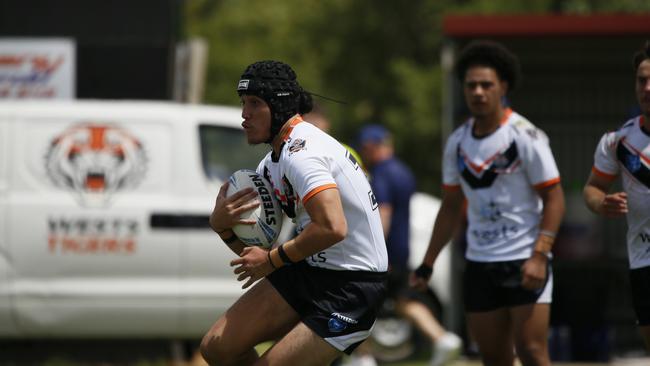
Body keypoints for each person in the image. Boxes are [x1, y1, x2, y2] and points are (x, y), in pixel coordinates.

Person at [200, 60, 388, 366]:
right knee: (216, 347)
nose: (244, 115)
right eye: (243, 103)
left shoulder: (303, 153)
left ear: (279, 107)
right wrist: (222, 227)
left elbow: (332, 227)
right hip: (308, 272)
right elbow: (257, 258)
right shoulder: (270, 163)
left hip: (352, 287)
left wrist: (272, 260)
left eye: (255, 104)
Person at [411, 40, 565, 366]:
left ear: (503, 86)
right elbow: (451, 207)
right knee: (494, 359)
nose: (478, 92)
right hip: (480, 265)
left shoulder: (525, 135)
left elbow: (554, 198)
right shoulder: (457, 143)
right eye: (471, 85)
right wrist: (427, 263)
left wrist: (540, 254)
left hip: (525, 260)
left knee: (533, 353)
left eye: (486, 85)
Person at [583, 40, 650, 352]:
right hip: (644, 260)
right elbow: (593, 188)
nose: (647, 88)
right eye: (642, 80)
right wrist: (600, 202)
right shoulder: (618, 141)